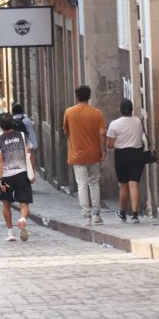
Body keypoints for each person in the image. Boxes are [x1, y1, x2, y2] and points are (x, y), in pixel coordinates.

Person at [63, 85, 107, 226]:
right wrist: (103, 150)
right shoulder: (97, 113)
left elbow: (66, 131)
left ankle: (86, 216)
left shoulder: (69, 112)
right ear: (89, 96)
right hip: (94, 153)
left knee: (81, 184)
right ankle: (96, 214)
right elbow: (102, 134)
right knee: (94, 183)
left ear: (76, 97)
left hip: (77, 154)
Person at [0, 113, 35, 241]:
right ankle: (22, 218)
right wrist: (32, 172)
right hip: (22, 173)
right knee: (24, 202)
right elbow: (29, 153)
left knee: (6, 203)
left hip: (7, 176)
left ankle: (10, 233)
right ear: (13, 123)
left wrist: (0, 180)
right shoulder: (22, 136)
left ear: (1, 126)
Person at [106, 99, 144, 223]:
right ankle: (134, 215)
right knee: (134, 184)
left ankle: (122, 212)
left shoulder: (114, 124)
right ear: (132, 109)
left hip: (121, 155)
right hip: (137, 154)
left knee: (123, 185)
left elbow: (110, 145)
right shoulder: (138, 121)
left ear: (120, 110)